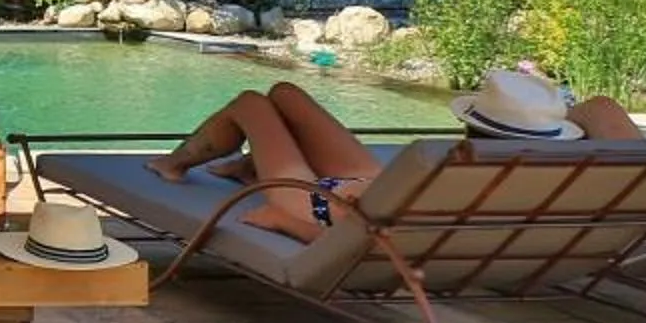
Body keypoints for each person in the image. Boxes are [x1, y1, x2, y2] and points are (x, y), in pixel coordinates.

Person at [149, 68, 611, 241]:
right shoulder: (549, 176)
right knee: (286, 93)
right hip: (363, 187)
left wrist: (281, 219)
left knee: (254, 103)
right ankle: (247, 165)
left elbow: (374, 242)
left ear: (472, 124)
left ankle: (176, 163)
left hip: (312, 203)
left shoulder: (450, 172)